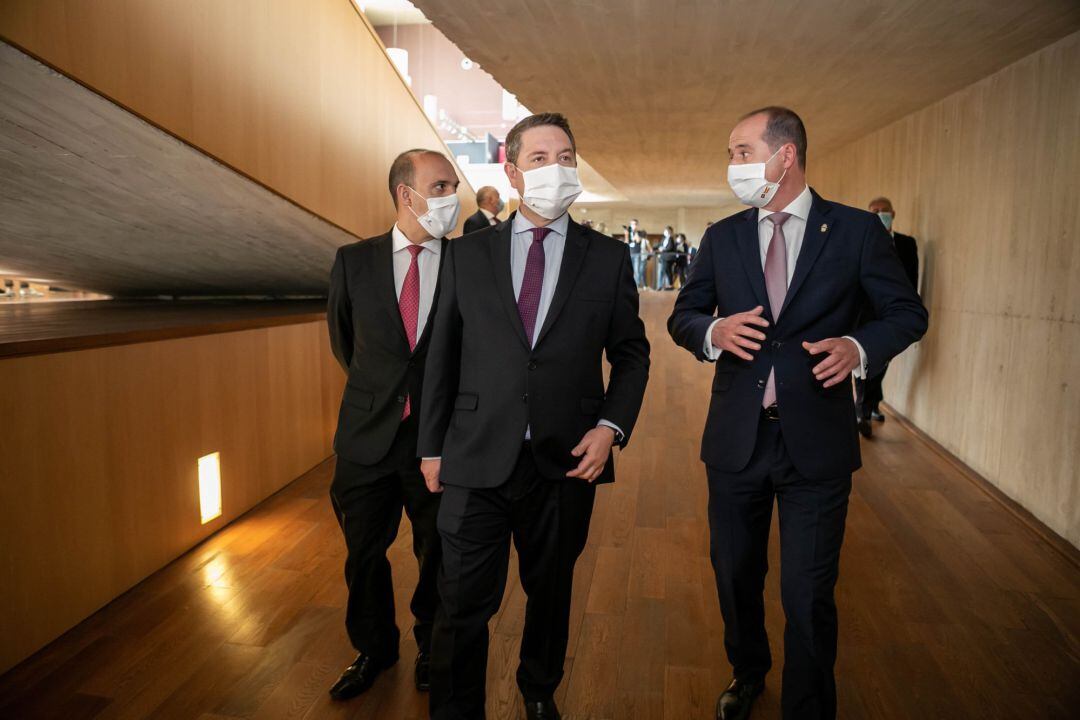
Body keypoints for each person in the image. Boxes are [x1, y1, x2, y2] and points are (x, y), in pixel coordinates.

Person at [668, 107, 927, 720]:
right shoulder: (723, 235)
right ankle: (748, 672)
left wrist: (859, 347)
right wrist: (713, 330)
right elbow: (684, 313)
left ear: (785, 155)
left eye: (740, 151)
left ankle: (809, 707)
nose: (731, 164)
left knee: (808, 592)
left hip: (817, 442)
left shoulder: (858, 232)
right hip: (736, 440)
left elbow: (907, 313)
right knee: (735, 575)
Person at [418, 112, 650, 720]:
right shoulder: (465, 255)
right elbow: (440, 357)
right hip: (474, 455)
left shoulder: (607, 258)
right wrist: (431, 448)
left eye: (567, 156)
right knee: (462, 602)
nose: (557, 168)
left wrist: (610, 428)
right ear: (514, 172)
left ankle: (539, 690)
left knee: (551, 592)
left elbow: (631, 354)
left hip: (567, 459)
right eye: (542, 158)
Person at [325, 149, 462, 701]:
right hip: (366, 438)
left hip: (438, 441)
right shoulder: (352, 260)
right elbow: (345, 342)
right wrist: (384, 394)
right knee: (362, 553)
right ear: (407, 194)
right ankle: (374, 649)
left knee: (439, 552)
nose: (452, 197)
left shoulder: (466, 261)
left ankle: (434, 646)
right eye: (441, 186)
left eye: (454, 186)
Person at [855, 196, 920, 435]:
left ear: (893, 214)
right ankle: (862, 410)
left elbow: (911, 280)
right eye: (874, 210)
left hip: (891, 318)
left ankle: (870, 404)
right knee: (861, 362)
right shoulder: (862, 242)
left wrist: (907, 315)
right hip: (864, 316)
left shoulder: (906, 244)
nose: (879, 214)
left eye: (883, 211)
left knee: (880, 364)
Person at [656, 225, 676, 290]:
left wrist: (663, 249)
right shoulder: (664, 238)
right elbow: (659, 245)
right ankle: (661, 286)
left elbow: (670, 247)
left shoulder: (671, 239)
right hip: (663, 258)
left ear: (669, 231)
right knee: (663, 271)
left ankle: (670, 285)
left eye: (666, 230)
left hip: (668, 258)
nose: (664, 232)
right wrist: (658, 248)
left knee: (668, 271)